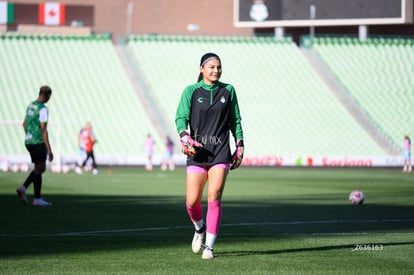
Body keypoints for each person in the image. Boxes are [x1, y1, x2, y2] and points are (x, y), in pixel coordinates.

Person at [175, 53, 244, 259]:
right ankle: (199, 228)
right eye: (211, 67)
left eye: (219, 67)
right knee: (192, 201)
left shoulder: (228, 90)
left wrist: (239, 143)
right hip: (197, 152)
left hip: (220, 152)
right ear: (201, 69)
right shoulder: (191, 91)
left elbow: (236, 120)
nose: (216, 70)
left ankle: (210, 247)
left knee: (214, 198)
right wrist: (184, 136)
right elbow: (181, 117)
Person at [16, 85, 54, 206]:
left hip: (28, 141)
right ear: (47, 96)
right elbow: (43, 129)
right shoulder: (43, 109)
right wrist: (49, 149)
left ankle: (24, 188)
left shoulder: (30, 106)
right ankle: (36, 198)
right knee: (40, 169)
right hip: (38, 141)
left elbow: (24, 124)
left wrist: (29, 135)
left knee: (39, 168)